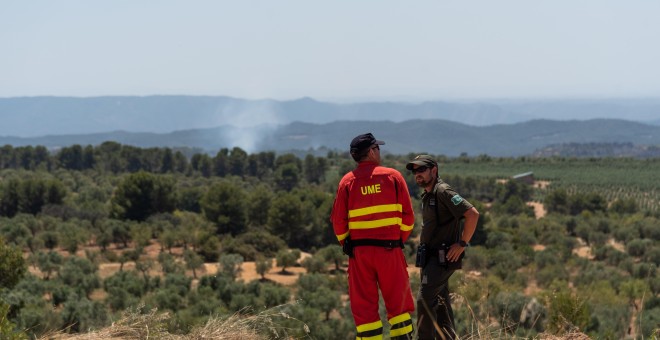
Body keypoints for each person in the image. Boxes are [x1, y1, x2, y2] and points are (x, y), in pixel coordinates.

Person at [331, 133, 416, 340]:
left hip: (359, 254)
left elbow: (338, 221)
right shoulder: (393, 177)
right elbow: (408, 217)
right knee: (398, 302)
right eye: (377, 148)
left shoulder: (347, 182)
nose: (379, 151)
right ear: (371, 152)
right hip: (389, 251)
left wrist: (347, 243)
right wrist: (398, 241)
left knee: (364, 306)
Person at [406, 155, 479, 340]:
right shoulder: (429, 194)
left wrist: (462, 243)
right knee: (440, 304)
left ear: (434, 170)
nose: (418, 175)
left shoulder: (443, 191)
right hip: (430, 258)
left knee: (424, 301)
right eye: (415, 171)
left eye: (422, 169)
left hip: (442, 259)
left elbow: (472, 214)